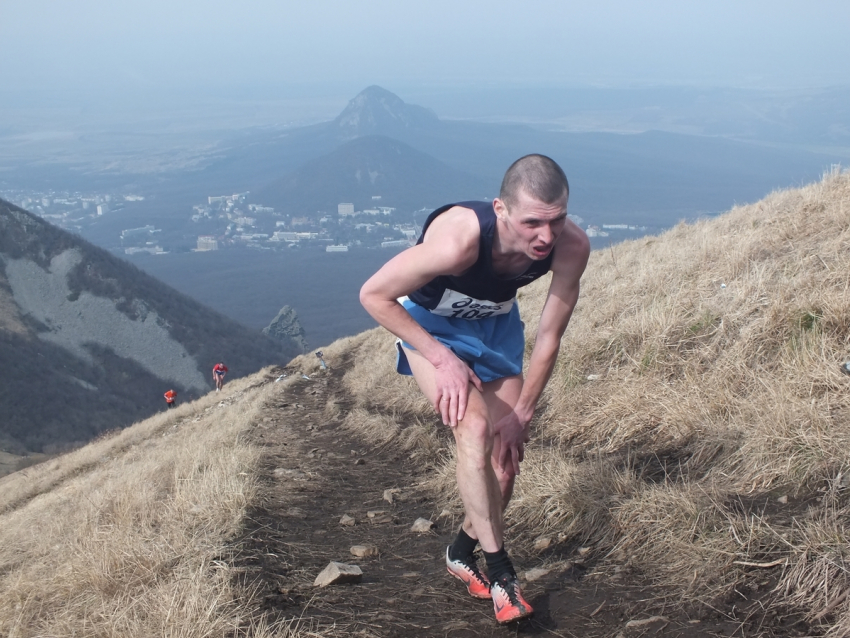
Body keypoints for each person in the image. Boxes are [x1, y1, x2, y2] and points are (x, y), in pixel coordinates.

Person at [360, 154, 589, 624]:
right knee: (475, 429)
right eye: (532, 224)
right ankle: (502, 573)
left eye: (557, 220)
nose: (545, 237)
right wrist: (441, 358)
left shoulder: (570, 246)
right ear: (501, 210)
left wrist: (523, 414)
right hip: (430, 330)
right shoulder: (459, 241)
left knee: (504, 467)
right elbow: (374, 295)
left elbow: (549, 337)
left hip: (494, 327)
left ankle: (461, 551)